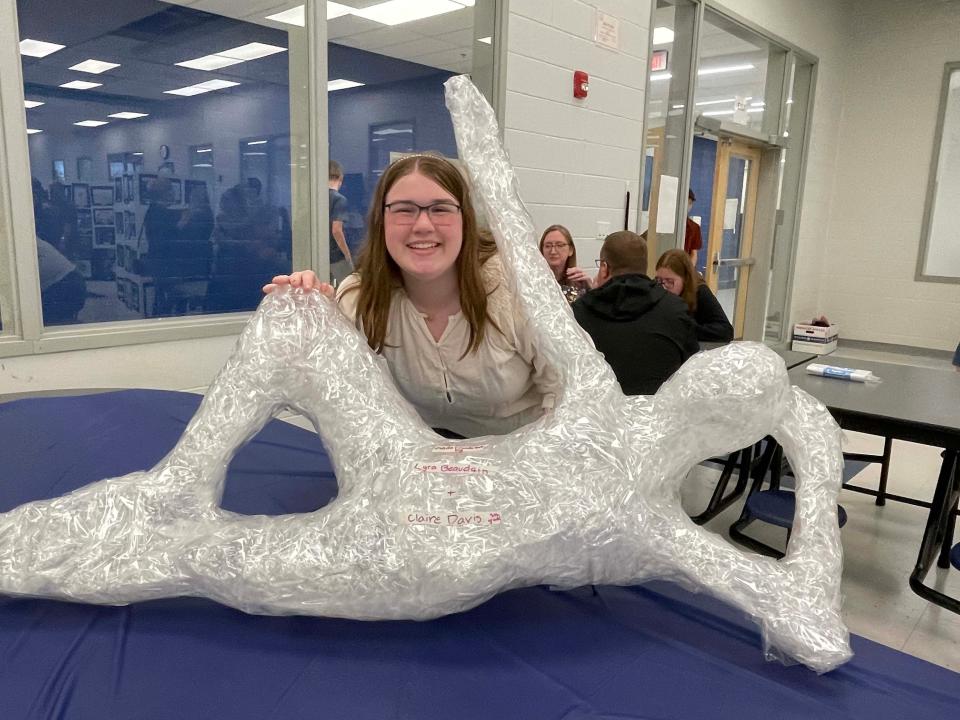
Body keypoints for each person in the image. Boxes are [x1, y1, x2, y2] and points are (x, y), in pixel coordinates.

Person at [265, 153, 558, 438]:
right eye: (404, 209)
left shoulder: (518, 289)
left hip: (521, 458)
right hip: (420, 461)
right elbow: (340, 399)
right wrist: (314, 319)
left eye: (440, 209)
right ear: (382, 221)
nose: (422, 225)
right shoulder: (359, 299)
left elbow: (571, 396)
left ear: (465, 220)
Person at [572, 231, 698, 396]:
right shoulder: (675, 309)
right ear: (644, 266)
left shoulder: (580, 312)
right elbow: (692, 369)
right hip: (658, 416)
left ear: (604, 268)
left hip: (599, 417)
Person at [655, 248, 733, 342]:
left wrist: (686, 328)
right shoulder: (655, 287)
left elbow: (726, 331)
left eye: (670, 281)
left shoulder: (700, 292)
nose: (664, 286)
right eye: (659, 280)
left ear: (685, 279)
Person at [538, 224, 591, 302]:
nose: (553, 251)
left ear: (570, 250)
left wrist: (591, 289)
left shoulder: (580, 283)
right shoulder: (534, 282)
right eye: (548, 246)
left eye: (559, 245)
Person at [328, 160, 353, 285]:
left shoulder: (316, 197)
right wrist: (347, 254)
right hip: (336, 256)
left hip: (322, 254)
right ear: (340, 178)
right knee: (351, 288)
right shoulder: (339, 199)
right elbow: (336, 230)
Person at [684, 189, 702, 267]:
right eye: (686, 202)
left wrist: (689, 272)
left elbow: (693, 253)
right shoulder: (662, 224)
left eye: (690, 203)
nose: (688, 205)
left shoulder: (694, 227)